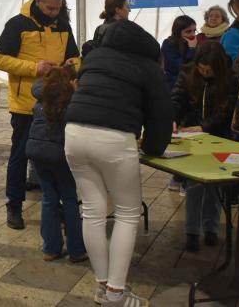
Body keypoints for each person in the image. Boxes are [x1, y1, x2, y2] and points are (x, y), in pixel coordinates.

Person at [64, 19, 172, 307]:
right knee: (127, 214)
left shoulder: (95, 56)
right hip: (114, 138)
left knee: (92, 211)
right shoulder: (149, 66)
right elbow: (161, 115)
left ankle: (102, 287)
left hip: (73, 133)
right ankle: (116, 294)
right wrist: (152, 148)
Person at [0, 0, 80, 229]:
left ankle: (59, 204)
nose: (54, 13)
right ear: (39, 2)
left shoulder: (63, 25)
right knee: (20, 154)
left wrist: (69, 65)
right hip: (25, 104)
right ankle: (14, 206)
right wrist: (35, 68)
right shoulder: (18, 24)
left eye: (58, 8)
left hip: (56, 103)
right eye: (50, 8)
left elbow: (75, 55)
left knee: (58, 155)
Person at [171, 42, 237, 252]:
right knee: (195, 185)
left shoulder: (230, 80)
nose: (204, 73)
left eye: (209, 71)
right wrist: (173, 118)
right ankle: (192, 232)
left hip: (218, 138)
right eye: (201, 69)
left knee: (215, 186)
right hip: (191, 139)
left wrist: (204, 126)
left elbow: (226, 112)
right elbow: (176, 100)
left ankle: (211, 229)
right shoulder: (187, 75)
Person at [25, 65, 87, 263]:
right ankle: (76, 251)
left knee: (49, 198)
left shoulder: (40, 99)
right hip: (60, 154)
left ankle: (51, 249)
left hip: (37, 152)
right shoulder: (70, 102)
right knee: (69, 198)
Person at [161, 15, 197, 90]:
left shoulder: (192, 43)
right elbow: (180, 66)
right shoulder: (168, 44)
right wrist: (191, 49)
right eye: (188, 31)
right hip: (174, 86)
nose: (193, 34)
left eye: (194, 31)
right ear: (178, 32)